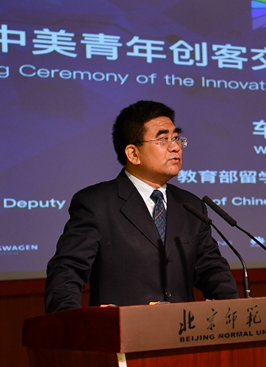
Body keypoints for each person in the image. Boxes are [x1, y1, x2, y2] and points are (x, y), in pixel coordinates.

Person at [45, 100, 239, 313]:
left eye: (176, 138)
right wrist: (70, 323)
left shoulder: (190, 206)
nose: (175, 147)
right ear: (133, 154)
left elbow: (213, 270)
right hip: (124, 329)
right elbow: (67, 271)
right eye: (163, 139)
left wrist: (235, 314)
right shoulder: (96, 203)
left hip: (183, 328)